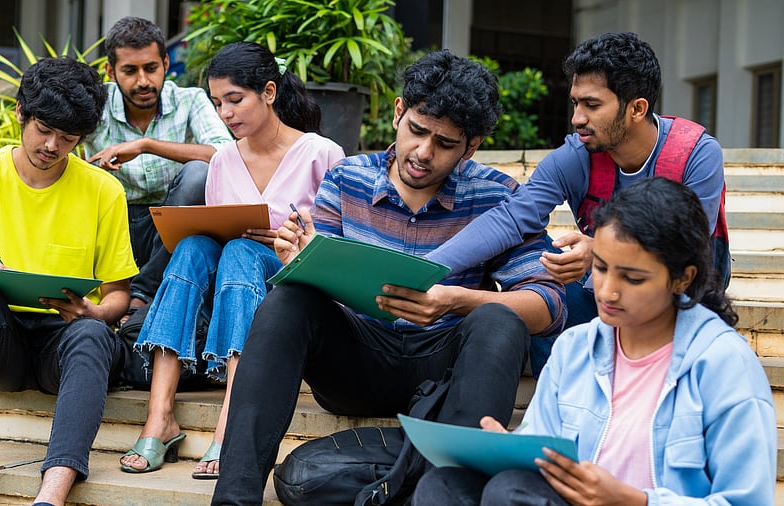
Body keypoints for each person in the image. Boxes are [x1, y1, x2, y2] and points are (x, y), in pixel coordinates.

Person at [211, 49, 566, 505]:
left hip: (448, 374)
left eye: (445, 143)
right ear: (399, 113)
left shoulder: (498, 195)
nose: (423, 152)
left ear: (471, 145)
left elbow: (549, 304)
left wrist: (456, 300)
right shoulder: (347, 178)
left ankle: (451, 492)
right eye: (417, 131)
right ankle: (235, 498)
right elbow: (321, 288)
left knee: (498, 319)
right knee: (288, 298)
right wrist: (301, 258)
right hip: (358, 362)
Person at [412, 177, 776, 505]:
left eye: (632, 279)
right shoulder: (575, 348)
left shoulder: (724, 364)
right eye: (600, 268)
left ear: (683, 279)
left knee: (511, 494)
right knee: (444, 486)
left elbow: (747, 500)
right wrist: (505, 450)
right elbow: (541, 457)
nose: (608, 291)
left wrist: (635, 501)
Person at [426, 32, 728, 378]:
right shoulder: (577, 155)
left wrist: (602, 249)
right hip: (602, 283)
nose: (577, 118)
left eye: (592, 105)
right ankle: (555, 397)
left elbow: (690, 247)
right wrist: (425, 269)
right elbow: (511, 218)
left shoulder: (697, 154)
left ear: (637, 108)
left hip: (682, 285)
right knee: (548, 288)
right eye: (575, 103)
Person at [118, 41, 344, 477]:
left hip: (292, 287)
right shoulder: (223, 159)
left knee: (241, 251)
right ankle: (159, 418)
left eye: (235, 100)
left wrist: (290, 239)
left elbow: (338, 242)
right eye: (218, 103)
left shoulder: (322, 153)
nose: (225, 113)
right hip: (232, 287)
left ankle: (230, 427)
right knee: (190, 248)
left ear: (270, 93)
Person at [0, 58, 138, 506]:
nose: (53, 146)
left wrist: (96, 311)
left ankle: (50, 497)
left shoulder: (104, 191)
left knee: (95, 332)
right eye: (44, 129)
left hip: (65, 344)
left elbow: (119, 294)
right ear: (20, 111)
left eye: (69, 138)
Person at [83, 16, 233, 323]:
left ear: (165, 62)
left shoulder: (189, 100)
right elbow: (61, 145)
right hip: (113, 221)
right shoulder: (96, 104)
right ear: (111, 71)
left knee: (199, 175)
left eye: (151, 68)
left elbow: (224, 154)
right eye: (129, 70)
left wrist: (146, 145)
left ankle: (141, 294)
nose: (143, 82)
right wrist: (87, 167)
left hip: (169, 226)